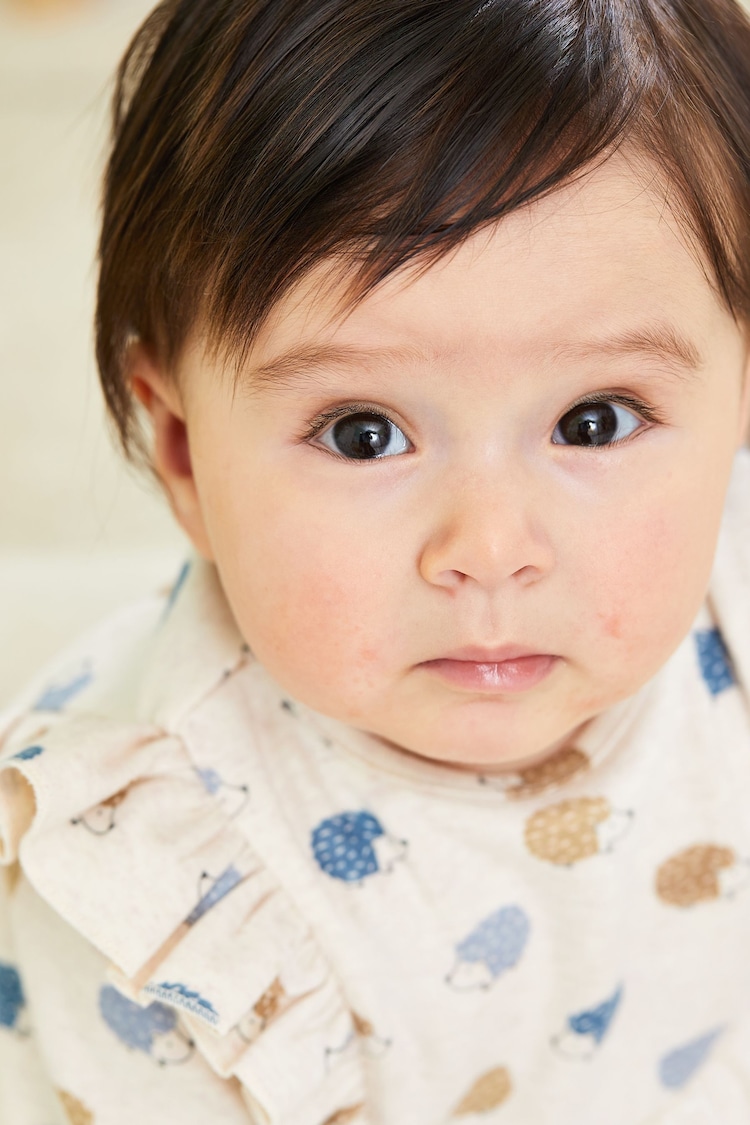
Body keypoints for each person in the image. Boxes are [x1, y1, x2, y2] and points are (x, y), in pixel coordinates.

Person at [3, 0, 750, 1121]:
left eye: (595, 421)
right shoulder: (150, 889)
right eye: (365, 434)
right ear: (183, 452)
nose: (491, 552)